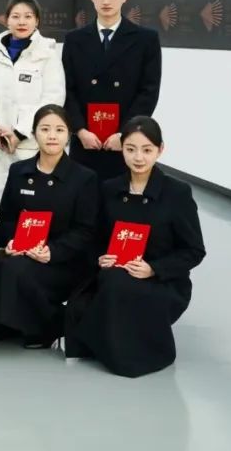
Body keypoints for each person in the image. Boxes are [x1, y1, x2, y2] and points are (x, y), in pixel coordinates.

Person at [66, 117, 205, 377]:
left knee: (117, 286)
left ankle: (129, 355)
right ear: (122, 149)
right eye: (130, 149)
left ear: (160, 150)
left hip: (162, 280)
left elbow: (194, 250)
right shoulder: (109, 189)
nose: (138, 157)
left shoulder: (177, 193)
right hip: (115, 272)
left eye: (147, 150)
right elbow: (95, 238)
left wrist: (153, 268)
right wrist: (101, 257)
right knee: (102, 287)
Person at [0, 105, 97, 349]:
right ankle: (8, 325)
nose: (52, 136)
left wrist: (52, 252)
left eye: (59, 130)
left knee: (17, 271)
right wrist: (11, 242)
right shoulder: (18, 171)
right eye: (45, 129)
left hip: (63, 261)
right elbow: (6, 217)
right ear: (34, 133)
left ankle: (46, 327)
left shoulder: (84, 178)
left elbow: (85, 231)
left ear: (69, 135)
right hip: (23, 253)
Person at [63, 0, 162, 182]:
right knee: (83, 193)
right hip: (86, 139)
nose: (106, 1)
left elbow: (149, 91)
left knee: (120, 194)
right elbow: (67, 89)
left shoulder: (145, 39)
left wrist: (125, 133)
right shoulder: (74, 39)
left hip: (124, 140)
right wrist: (79, 130)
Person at [0, 0, 65, 222]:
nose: (22, 21)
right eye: (15, 16)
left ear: (37, 21)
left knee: (28, 215)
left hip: (29, 144)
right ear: (6, 20)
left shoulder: (47, 54)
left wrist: (19, 132)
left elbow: (52, 99)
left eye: (28, 16)